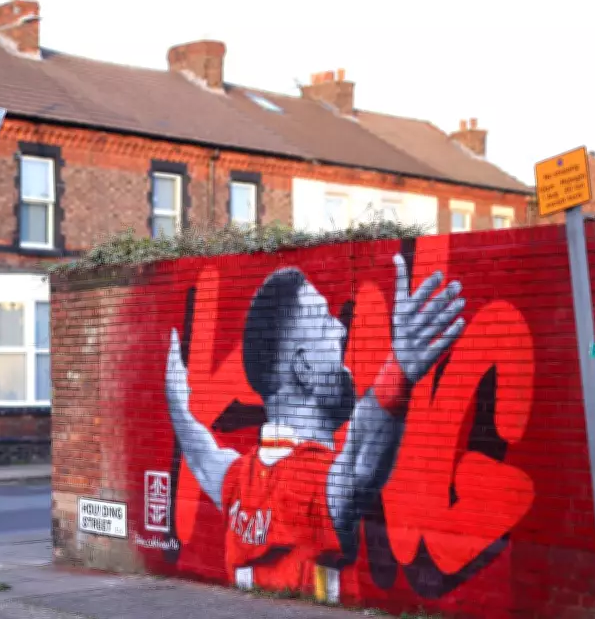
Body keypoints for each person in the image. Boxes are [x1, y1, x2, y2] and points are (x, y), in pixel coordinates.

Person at [165, 253, 466, 592]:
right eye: (325, 322)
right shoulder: (310, 483)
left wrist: (178, 405)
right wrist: (398, 370)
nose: (340, 329)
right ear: (305, 368)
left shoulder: (239, 480)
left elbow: (200, 454)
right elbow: (359, 463)